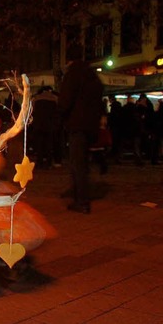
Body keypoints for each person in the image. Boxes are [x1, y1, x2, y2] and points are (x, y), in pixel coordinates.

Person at [58, 59, 104, 214]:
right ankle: (82, 196)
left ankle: (82, 201)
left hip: (77, 125)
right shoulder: (93, 78)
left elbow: (65, 101)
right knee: (83, 163)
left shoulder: (73, 76)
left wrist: (63, 116)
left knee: (77, 164)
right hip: (90, 126)